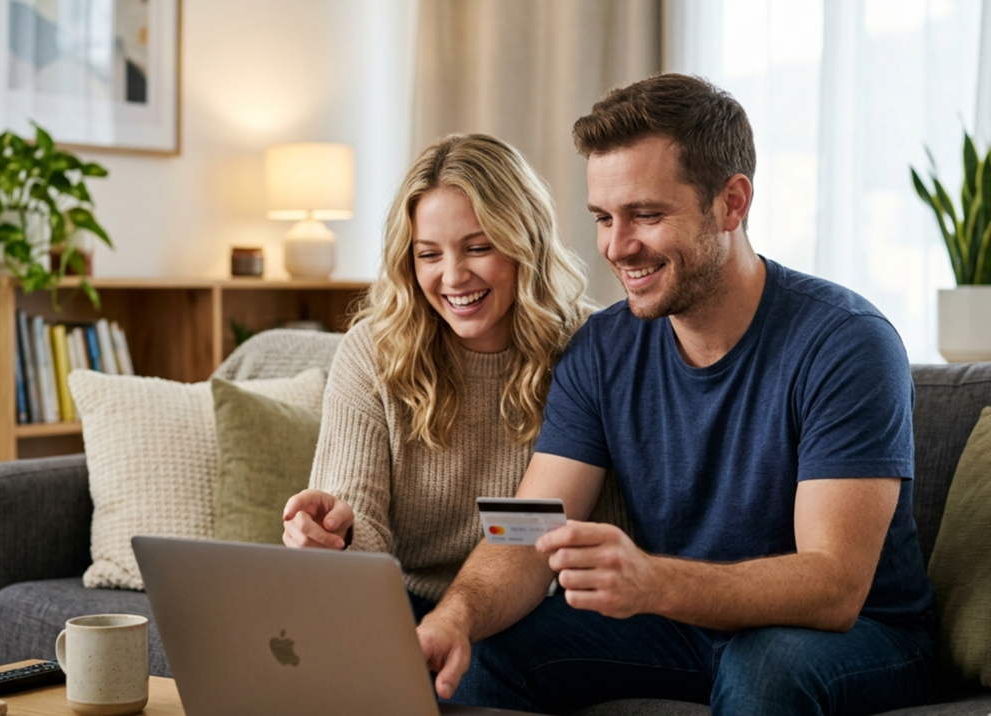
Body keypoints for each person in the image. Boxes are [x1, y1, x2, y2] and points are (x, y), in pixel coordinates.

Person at [416, 74, 937, 715]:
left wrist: (652, 580)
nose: (616, 246)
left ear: (732, 203)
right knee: (486, 653)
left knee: (767, 665)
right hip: (684, 629)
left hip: (856, 637)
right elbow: (527, 528)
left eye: (647, 214)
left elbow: (833, 586)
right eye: (604, 218)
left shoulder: (846, 343)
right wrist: (457, 617)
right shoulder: (601, 350)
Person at [282, 133, 629, 620]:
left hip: (539, 610)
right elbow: (358, 520)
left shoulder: (589, 348)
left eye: (478, 247)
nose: (453, 276)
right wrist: (333, 536)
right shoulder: (373, 352)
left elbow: (599, 536)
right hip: (402, 597)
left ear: (524, 241)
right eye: (428, 254)